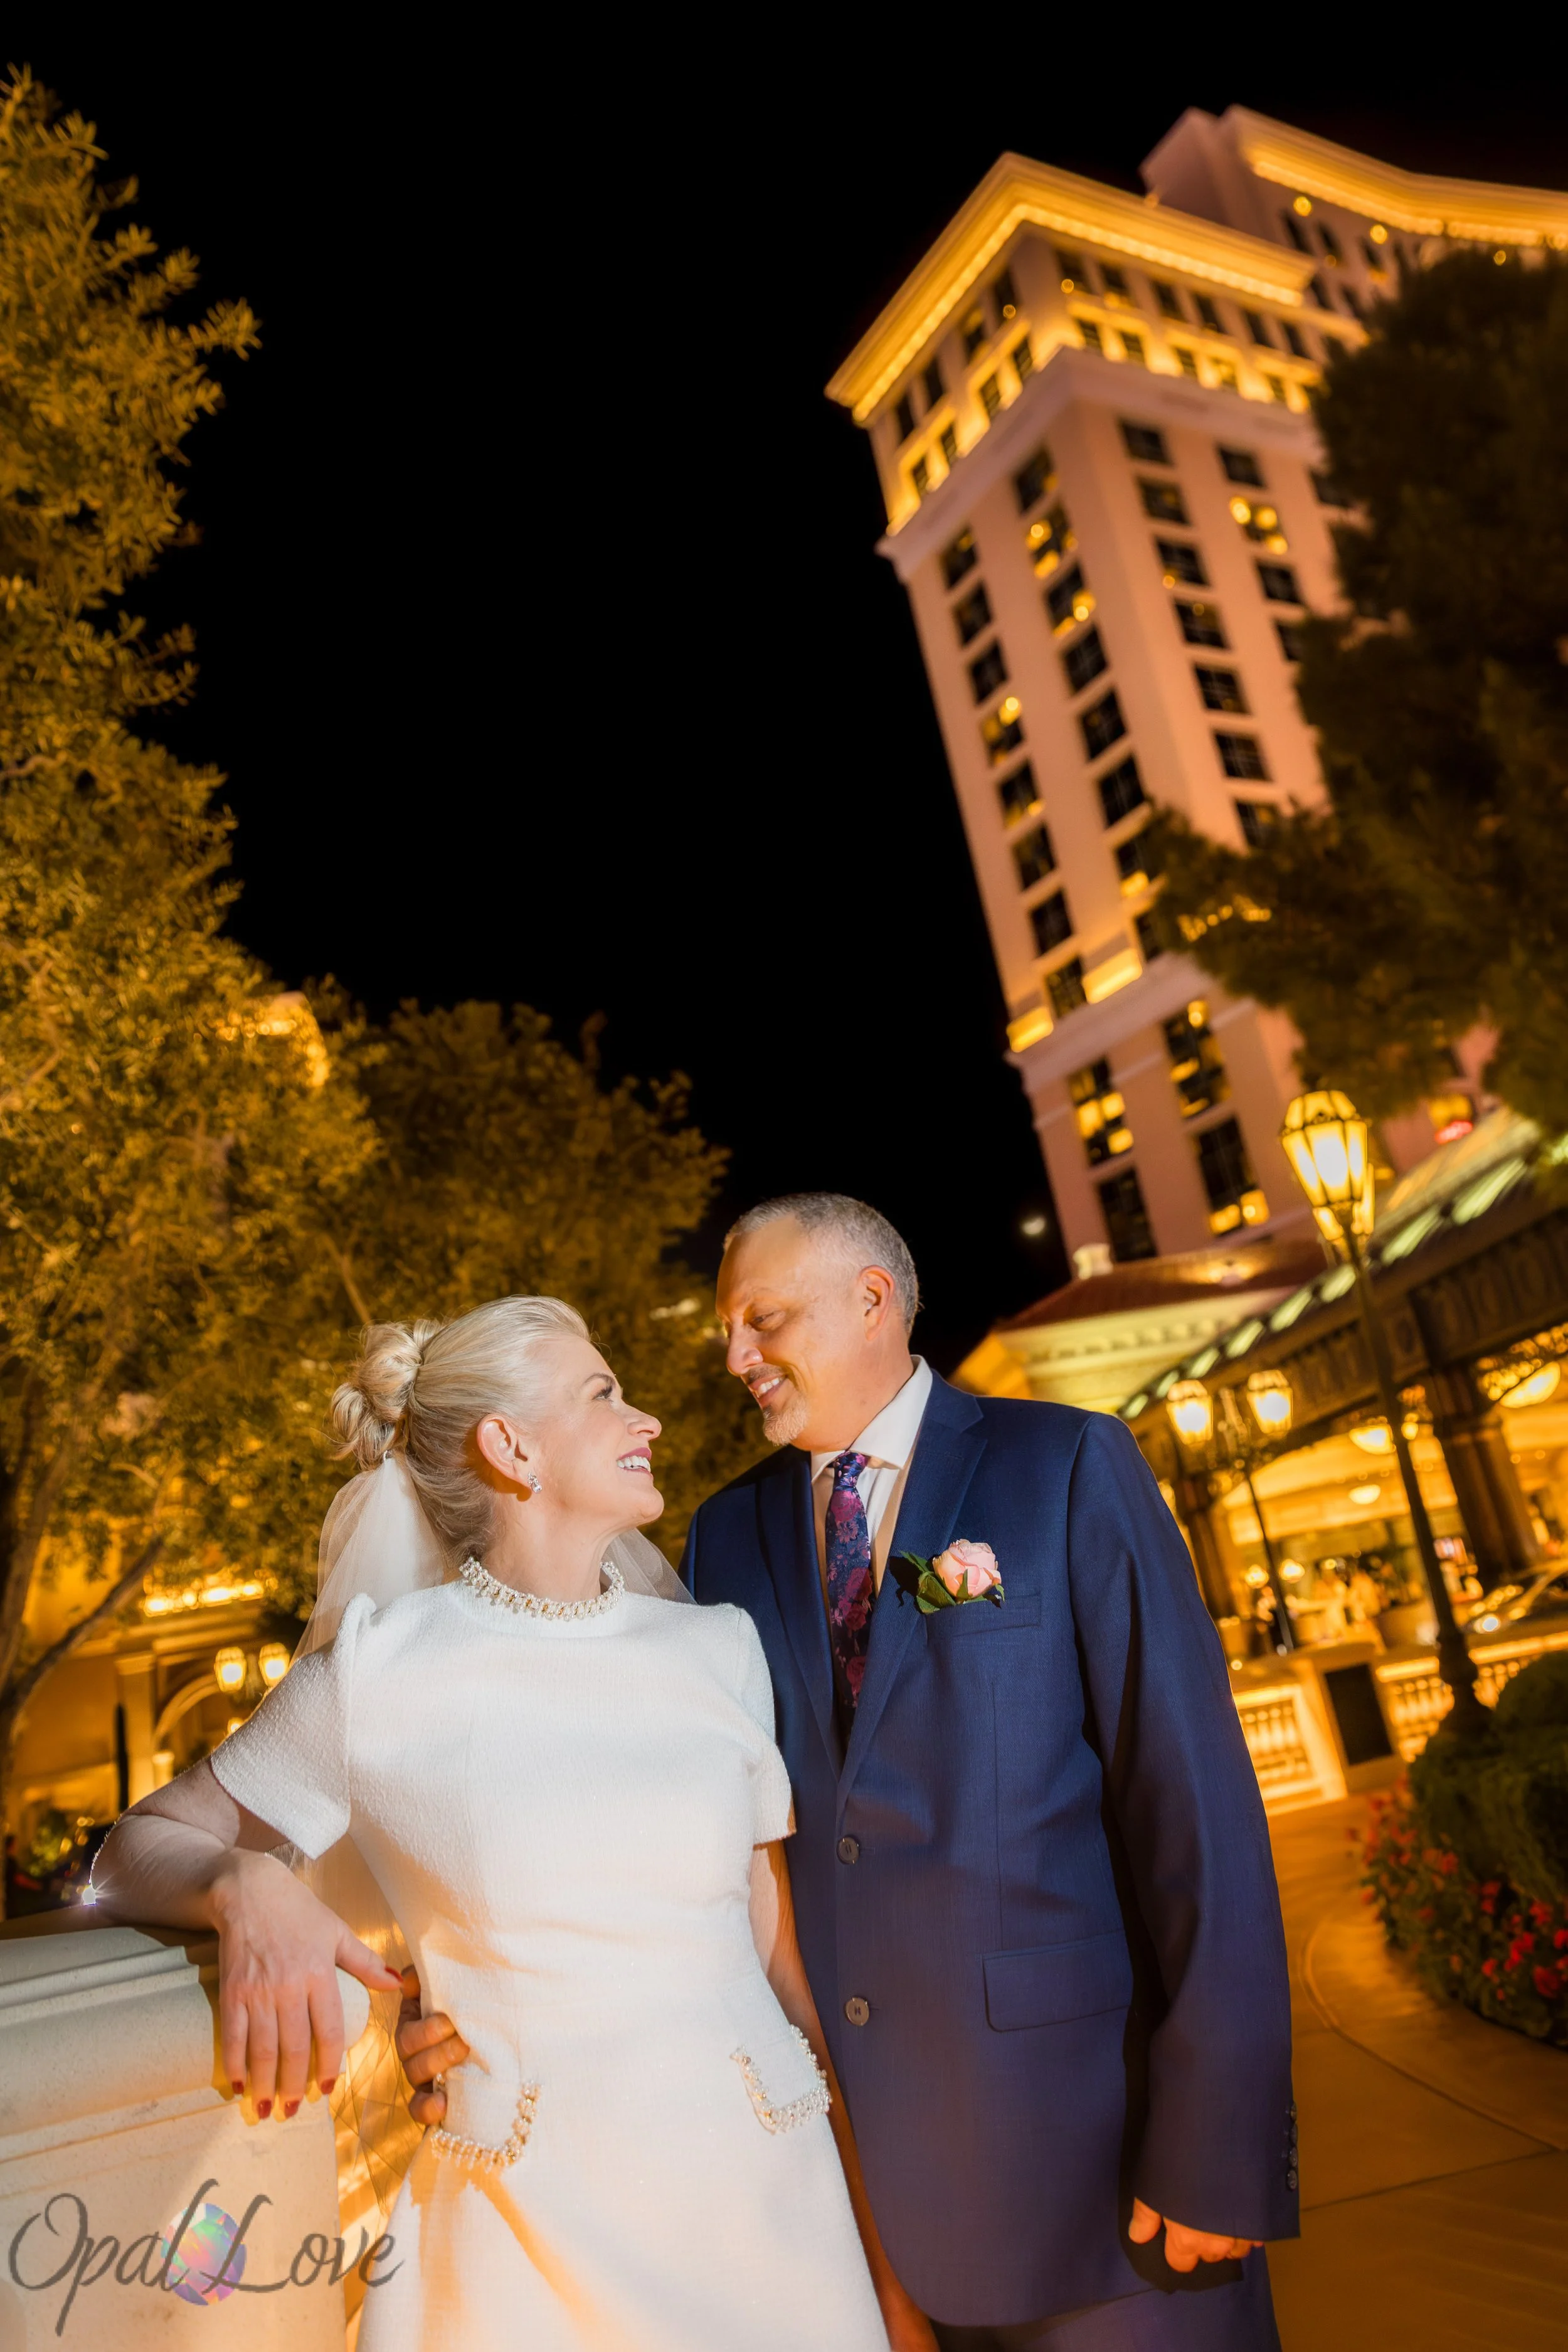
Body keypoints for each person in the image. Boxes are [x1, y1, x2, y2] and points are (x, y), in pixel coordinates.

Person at [406, 1198, 1297, 2348]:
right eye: (729, 1328)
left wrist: (1215, 2142)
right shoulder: (724, 1537)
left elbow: (1197, 1815)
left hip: (1107, 2178)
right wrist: (450, 1981)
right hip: (862, 2216)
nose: (734, 1357)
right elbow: (645, 1808)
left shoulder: (1066, 1464)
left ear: (873, 1299)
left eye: (761, 1318)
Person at [97, 1296, 914, 2352]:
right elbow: (130, 1850)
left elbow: (782, 1970)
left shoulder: (721, 1648)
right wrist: (246, 1888)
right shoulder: (379, 1671)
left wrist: (885, 2279)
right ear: (510, 1446)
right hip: (529, 2236)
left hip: (773, 2211)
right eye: (604, 1393)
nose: (647, 1419)